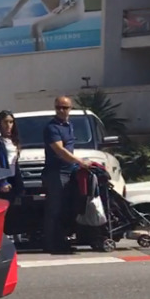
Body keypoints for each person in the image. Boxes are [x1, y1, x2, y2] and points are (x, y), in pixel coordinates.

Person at [42, 96, 93, 254]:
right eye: (58, 107)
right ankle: (50, 243)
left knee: (68, 208)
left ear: (71, 109)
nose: (61, 111)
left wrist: (80, 163)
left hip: (70, 171)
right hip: (56, 172)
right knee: (55, 209)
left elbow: (70, 148)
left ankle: (63, 240)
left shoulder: (69, 125)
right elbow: (59, 150)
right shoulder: (52, 127)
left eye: (65, 108)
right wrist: (79, 161)